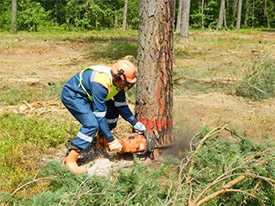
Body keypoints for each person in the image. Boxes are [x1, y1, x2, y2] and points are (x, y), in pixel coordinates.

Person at [61, 59, 146, 174]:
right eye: (127, 83)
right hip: (74, 96)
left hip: (88, 97)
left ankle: (100, 142)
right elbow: (99, 116)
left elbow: (121, 106)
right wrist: (111, 140)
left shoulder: (118, 84)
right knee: (91, 124)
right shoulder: (100, 83)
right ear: (119, 78)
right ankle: (71, 160)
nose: (127, 86)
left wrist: (135, 122)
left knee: (112, 110)